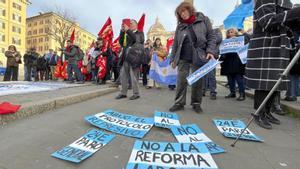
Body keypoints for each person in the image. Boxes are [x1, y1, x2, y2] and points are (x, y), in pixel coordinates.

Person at [245, 0, 300, 129]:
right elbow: (267, 22)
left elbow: (288, 24)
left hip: (281, 44)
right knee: (264, 82)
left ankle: (267, 111)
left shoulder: (287, 3)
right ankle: (258, 113)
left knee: (276, 81)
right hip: (266, 44)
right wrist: (295, 13)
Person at [169, 2, 216, 113]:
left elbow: (211, 36)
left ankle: (196, 103)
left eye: (184, 11)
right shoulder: (180, 26)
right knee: (181, 81)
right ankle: (179, 103)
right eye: (180, 13)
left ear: (190, 10)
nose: (183, 14)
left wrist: (210, 51)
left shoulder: (203, 19)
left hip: (199, 55)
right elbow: (175, 43)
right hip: (183, 56)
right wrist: (172, 58)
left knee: (197, 81)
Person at [116, 19, 145, 100]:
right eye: (129, 24)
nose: (130, 25)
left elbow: (136, 39)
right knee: (123, 76)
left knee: (134, 77)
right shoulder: (127, 34)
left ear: (136, 25)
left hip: (134, 58)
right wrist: (122, 31)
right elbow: (121, 43)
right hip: (126, 58)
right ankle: (123, 93)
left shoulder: (140, 33)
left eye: (131, 23)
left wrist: (128, 30)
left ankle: (136, 93)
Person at [220, 28, 246, 101]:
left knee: (239, 79)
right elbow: (222, 51)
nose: (230, 33)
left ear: (236, 33)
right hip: (228, 62)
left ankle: (242, 94)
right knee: (230, 79)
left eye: (232, 32)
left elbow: (247, 41)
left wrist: (243, 33)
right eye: (229, 32)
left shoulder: (240, 40)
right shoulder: (224, 42)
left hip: (237, 62)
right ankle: (232, 93)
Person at [203, 28, 222, 100]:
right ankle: (203, 90)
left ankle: (213, 92)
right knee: (203, 74)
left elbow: (218, 39)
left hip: (212, 55)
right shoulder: (202, 31)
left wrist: (206, 38)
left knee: (211, 75)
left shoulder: (216, 30)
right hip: (202, 55)